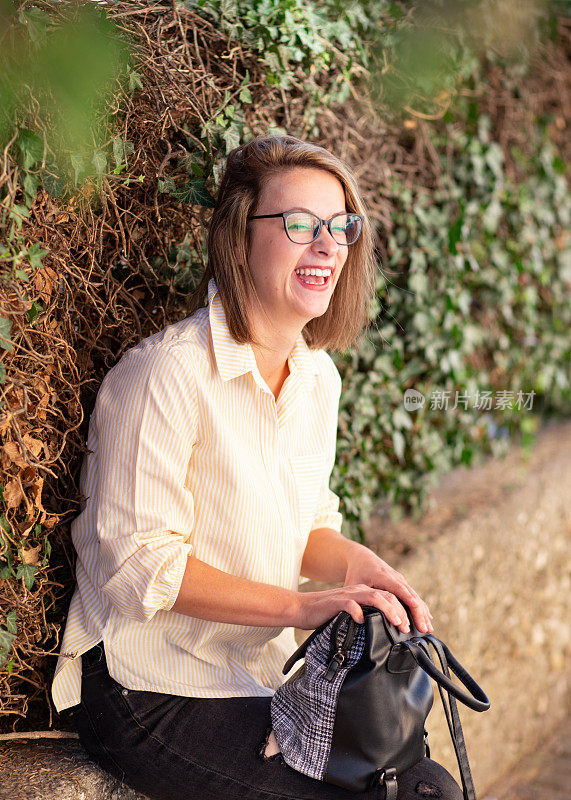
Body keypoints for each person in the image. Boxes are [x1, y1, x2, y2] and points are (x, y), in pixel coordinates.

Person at [51, 134, 463, 800]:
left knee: (423, 785)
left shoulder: (316, 379)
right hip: (150, 686)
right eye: (300, 224)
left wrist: (367, 574)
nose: (327, 246)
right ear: (239, 237)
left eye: (340, 227)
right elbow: (139, 567)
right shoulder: (166, 374)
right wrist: (303, 606)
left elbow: (308, 526)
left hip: (254, 673)